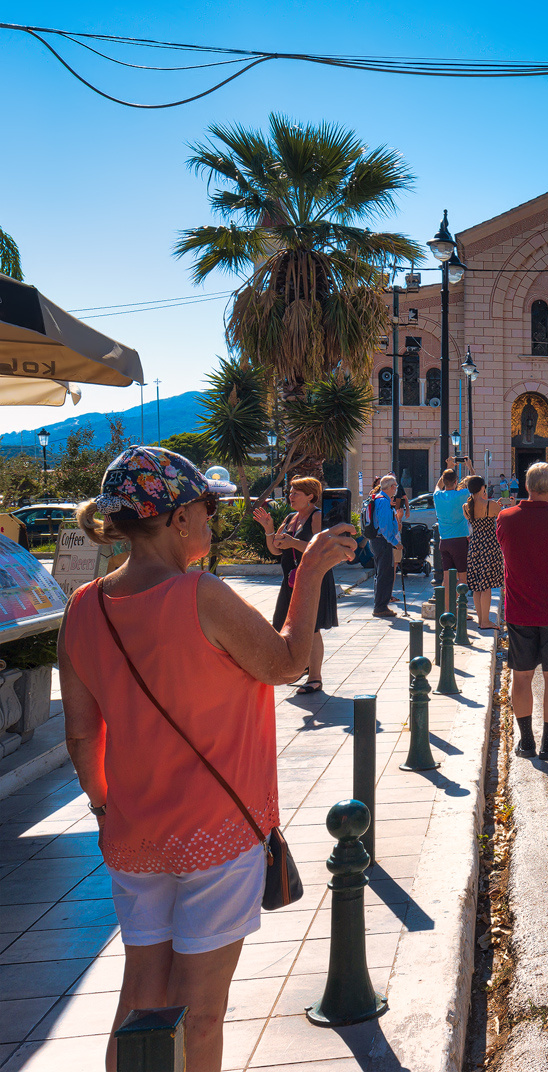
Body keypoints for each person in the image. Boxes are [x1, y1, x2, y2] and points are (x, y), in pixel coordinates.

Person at [58, 446, 354, 1072]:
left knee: (140, 995)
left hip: (134, 834)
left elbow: (82, 736)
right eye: (206, 507)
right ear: (176, 518)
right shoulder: (199, 593)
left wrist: (104, 805)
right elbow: (285, 663)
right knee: (203, 1008)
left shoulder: (84, 606)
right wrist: (310, 576)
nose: (212, 520)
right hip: (216, 831)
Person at [496, 462, 548, 760]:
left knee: (521, 678)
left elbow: (505, 546)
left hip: (519, 609)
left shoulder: (505, 518)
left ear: (526, 486)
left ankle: (526, 742)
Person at [252, 476, 338, 695]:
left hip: (313, 580)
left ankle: (315, 677)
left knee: (313, 629)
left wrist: (292, 543)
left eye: (295, 493)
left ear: (310, 496)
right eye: (290, 492)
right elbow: (275, 550)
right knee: (286, 625)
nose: (290, 496)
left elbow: (318, 547)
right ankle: (303, 667)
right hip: (291, 580)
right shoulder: (291, 518)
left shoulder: (317, 516)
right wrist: (268, 529)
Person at [464, 475, 505, 630]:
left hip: (474, 545)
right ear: (482, 488)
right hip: (489, 545)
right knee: (486, 585)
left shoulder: (465, 507)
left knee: (476, 585)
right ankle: (486, 621)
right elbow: (502, 517)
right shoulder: (491, 505)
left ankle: (481, 619)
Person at [432, 461, 471, 595]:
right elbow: (476, 484)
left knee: (447, 578)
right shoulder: (461, 495)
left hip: (444, 541)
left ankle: (448, 608)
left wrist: (447, 467)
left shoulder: (437, 496)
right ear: (456, 482)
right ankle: (462, 611)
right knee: (462, 577)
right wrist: (470, 467)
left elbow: (438, 485)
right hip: (459, 541)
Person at [366, 475, 401, 618]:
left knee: (380, 573)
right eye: (395, 487)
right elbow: (385, 526)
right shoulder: (384, 502)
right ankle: (381, 606)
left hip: (377, 540)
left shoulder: (379, 499)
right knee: (385, 574)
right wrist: (395, 542)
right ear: (392, 487)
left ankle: (380, 605)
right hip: (383, 541)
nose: (396, 489)